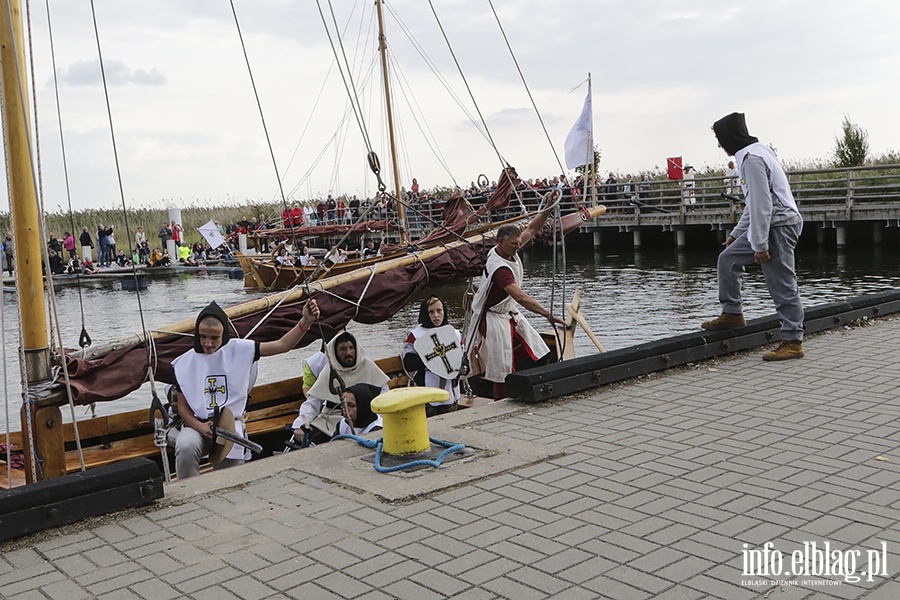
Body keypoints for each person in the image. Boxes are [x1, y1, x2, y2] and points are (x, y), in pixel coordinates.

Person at [167, 298, 320, 479]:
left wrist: (305, 322)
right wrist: (200, 427)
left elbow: (282, 345)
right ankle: (189, 492)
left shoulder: (240, 349)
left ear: (224, 334)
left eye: (214, 338)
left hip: (229, 425)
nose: (208, 343)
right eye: (203, 337)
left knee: (229, 476)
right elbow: (182, 407)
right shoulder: (186, 362)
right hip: (197, 425)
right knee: (186, 446)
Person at [702, 112, 804, 361]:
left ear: (729, 138)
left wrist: (759, 244)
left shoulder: (752, 160)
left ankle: (793, 340)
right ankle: (733, 313)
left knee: (781, 283)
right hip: (767, 225)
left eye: (720, 139)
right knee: (728, 259)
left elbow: (762, 205)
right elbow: (754, 202)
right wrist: (737, 234)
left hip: (777, 226)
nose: (719, 145)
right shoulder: (757, 152)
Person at [468, 218, 566, 400]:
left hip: (508, 311)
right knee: (501, 369)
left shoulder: (507, 248)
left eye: (518, 243)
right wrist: (547, 314)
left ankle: (513, 369)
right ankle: (500, 399)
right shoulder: (500, 269)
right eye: (513, 244)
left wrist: (549, 208)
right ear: (501, 241)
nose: (517, 247)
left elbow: (532, 228)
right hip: (492, 317)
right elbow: (520, 297)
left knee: (538, 347)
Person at [291, 330, 389, 445]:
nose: (349, 352)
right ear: (335, 352)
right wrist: (300, 424)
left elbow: (385, 397)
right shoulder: (329, 372)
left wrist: (379, 417)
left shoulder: (369, 366)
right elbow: (312, 403)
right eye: (343, 349)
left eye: (351, 348)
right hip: (330, 421)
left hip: (366, 419)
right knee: (304, 441)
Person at [403, 296, 467, 416]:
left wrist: (464, 368)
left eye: (439, 310)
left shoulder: (454, 333)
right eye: (431, 312)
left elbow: (462, 358)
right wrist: (432, 359)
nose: (436, 315)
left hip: (451, 391)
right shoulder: (416, 336)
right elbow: (409, 363)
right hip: (426, 392)